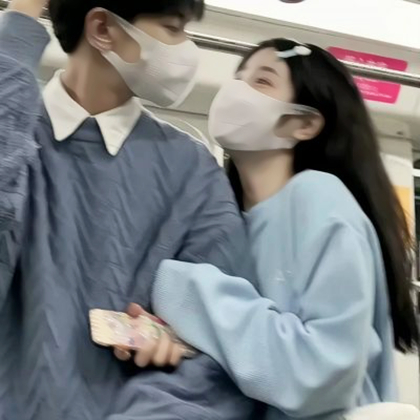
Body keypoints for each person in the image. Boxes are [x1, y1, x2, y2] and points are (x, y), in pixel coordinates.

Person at [133, 39, 420, 419]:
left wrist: (185, 290)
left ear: (303, 123)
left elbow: (319, 372)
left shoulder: (319, 198)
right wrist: (172, 341)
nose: (236, 90)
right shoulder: (224, 219)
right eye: (238, 77)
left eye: (262, 81)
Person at [0, 0, 257, 419]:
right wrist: (21, 20)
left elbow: (227, 341)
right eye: (172, 28)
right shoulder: (17, 136)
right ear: (102, 28)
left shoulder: (190, 169)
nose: (186, 48)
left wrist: (176, 346)